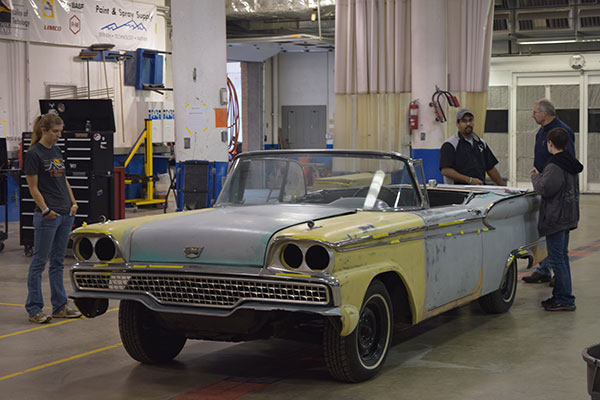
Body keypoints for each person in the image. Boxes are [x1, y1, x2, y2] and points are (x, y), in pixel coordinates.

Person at [24, 114, 81, 323]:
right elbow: (33, 188)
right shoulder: (34, 154)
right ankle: (34, 309)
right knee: (39, 262)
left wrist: (73, 203)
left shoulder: (56, 151)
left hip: (65, 213)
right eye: (55, 131)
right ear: (44, 131)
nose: (59, 135)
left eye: (60, 131)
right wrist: (46, 210)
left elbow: (63, 179)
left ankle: (60, 306)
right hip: (48, 216)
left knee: (57, 262)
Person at [523, 99, 576, 284]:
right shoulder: (542, 132)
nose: (533, 115)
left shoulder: (561, 132)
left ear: (544, 113)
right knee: (549, 232)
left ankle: (559, 274)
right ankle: (545, 269)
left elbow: (566, 161)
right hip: (545, 184)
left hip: (556, 189)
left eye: (535, 112)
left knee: (558, 234)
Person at [530, 127, 582, 311]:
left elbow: (546, 188)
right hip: (568, 215)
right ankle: (560, 295)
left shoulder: (554, 165)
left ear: (549, 144)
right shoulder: (571, 163)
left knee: (557, 259)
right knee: (562, 257)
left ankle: (565, 299)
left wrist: (536, 177)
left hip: (556, 217)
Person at [439, 108, 506, 186]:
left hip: (480, 191)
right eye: (464, 121)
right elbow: (446, 171)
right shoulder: (450, 144)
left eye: (470, 120)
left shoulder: (480, 143)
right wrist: (469, 180)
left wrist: (504, 188)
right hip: (458, 192)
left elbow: (490, 168)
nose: (468, 124)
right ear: (458, 124)